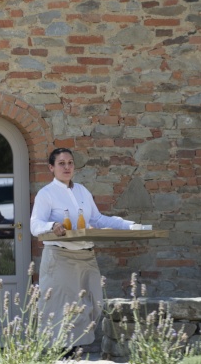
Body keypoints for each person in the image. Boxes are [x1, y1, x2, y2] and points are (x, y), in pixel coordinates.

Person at [30, 148, 133, 349]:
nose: (67, 167)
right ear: (51, 168)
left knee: (94, 303)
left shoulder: (82, 191)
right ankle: (61, 353)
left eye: (70, 163)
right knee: (61, 308)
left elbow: (97, 219)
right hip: (61, 256)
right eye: (61, 163)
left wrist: (128, 225)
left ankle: (76, 349)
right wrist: (52, 226)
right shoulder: (46, 194)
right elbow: (35, 224)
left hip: (86, 256)